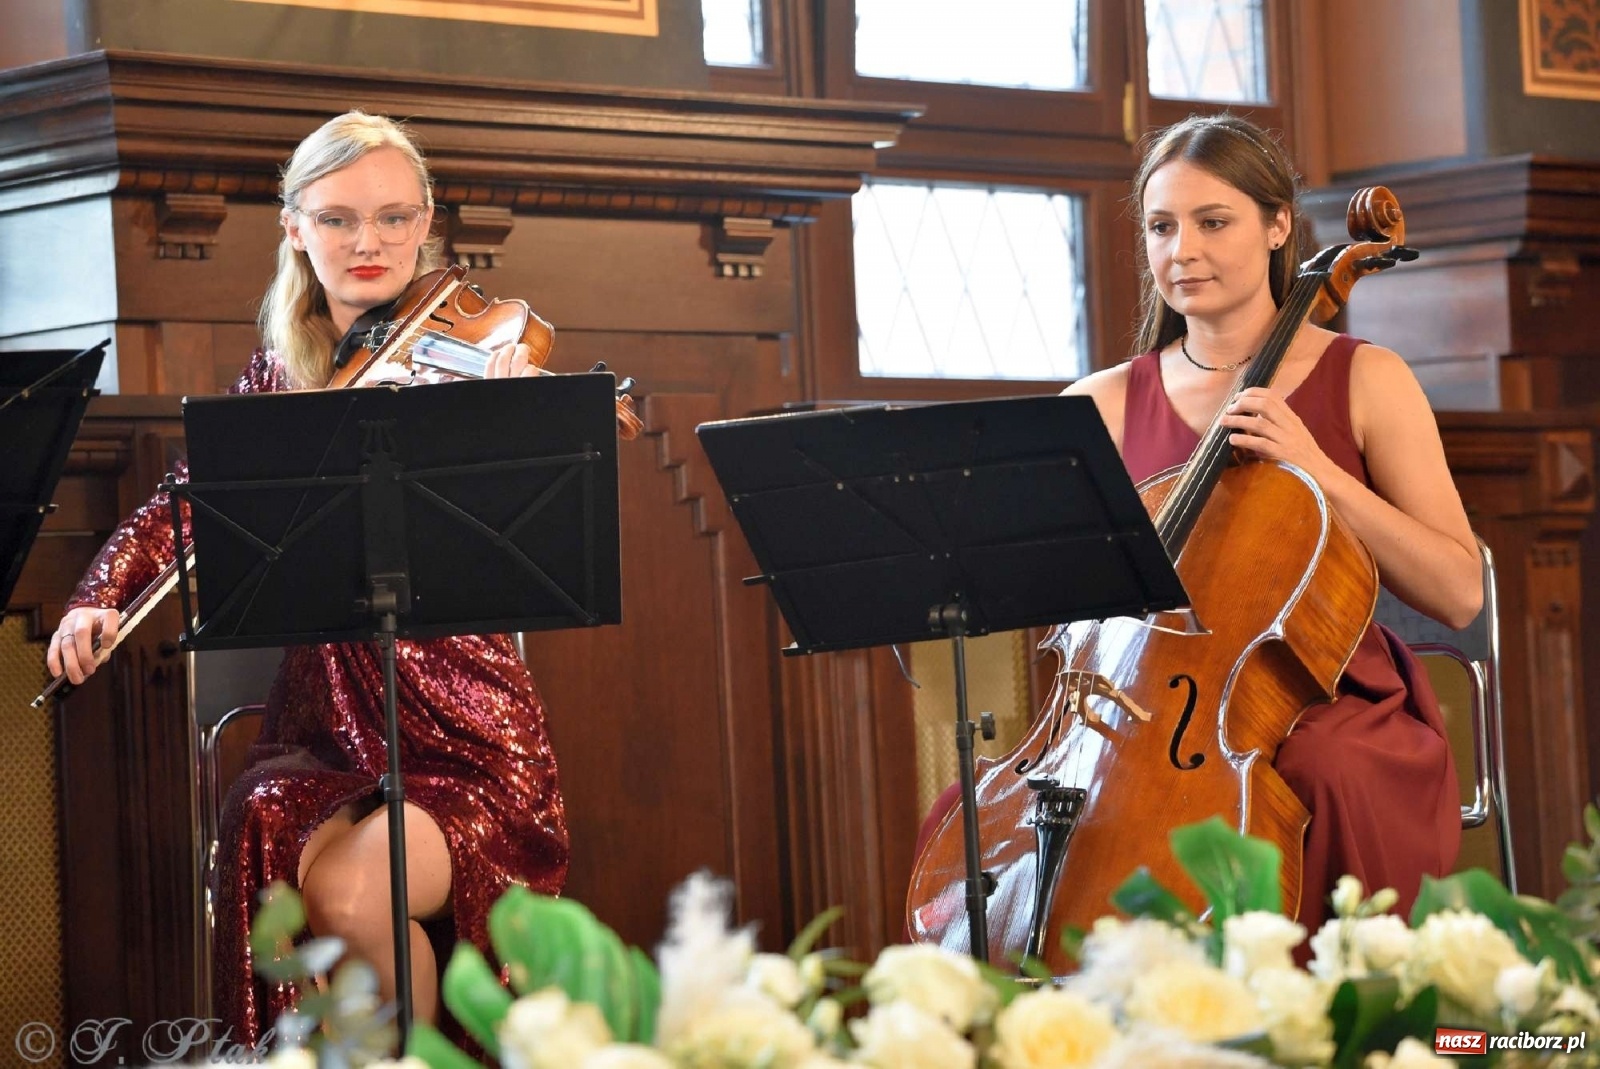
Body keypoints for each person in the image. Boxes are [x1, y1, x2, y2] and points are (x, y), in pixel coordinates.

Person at [45, 111, 569, 1041]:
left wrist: (529, 416)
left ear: (427, 223)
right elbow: (183, 502)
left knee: (357, 891)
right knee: (289, 851)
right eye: (336, 219)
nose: (368, 241)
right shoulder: (280, 378)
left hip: (467, 733)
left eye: (394, 218)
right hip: (326, 730)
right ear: (294, 227)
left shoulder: (475, 354)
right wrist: (99, 591)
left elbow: (560, 470)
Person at [1066, 113, 1477, 934]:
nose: (1181, 251)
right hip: (1146, 710)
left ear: (1279, 225)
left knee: (1320, 770)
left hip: (1323, 696)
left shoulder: (1368, 378)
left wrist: (1316, 471)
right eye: (1161, 226)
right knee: (988, 810)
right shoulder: (1099, 404)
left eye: (1213, 222)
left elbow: (1459, 591)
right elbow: (1061, 598)